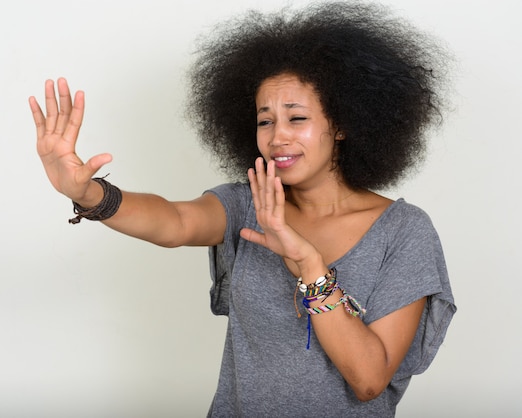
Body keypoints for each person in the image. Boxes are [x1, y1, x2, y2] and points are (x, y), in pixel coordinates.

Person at [28, 2, 456, 416]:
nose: (277, 137)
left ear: (343, 124)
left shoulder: (403, 231)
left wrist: (309, 265)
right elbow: (173, 223)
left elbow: (368, 380)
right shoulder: (248, 202)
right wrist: (90, 196)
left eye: (297, 118)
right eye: (265, 120)